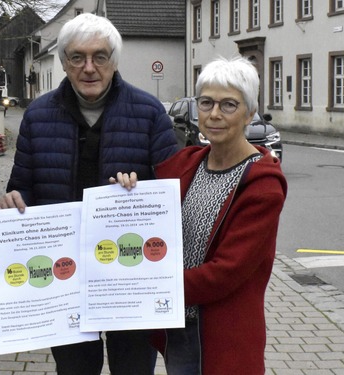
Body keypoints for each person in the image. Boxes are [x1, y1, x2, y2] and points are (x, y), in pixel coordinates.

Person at [0, 13, 179, 375]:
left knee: (134, 368)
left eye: (100, 56)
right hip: (66, 276)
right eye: (77, 57)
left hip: (129, 275)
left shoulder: (149, 113)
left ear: (115, 61)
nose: (89, 67)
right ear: (63, 62)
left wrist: (139, 194)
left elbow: (172, 196)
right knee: (75, 369)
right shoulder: (38, 115)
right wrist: (13, 203)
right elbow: (23, 187)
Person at [116, 55, 288, 374]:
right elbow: (150, 223)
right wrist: (127, 196)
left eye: (228, 105)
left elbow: (225, 272)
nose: (214, 114)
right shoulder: (186, 163)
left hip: (223, 335)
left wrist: (149, 287)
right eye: (206, 103)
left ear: (250, 113)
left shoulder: (262, 186)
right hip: (177, 326)